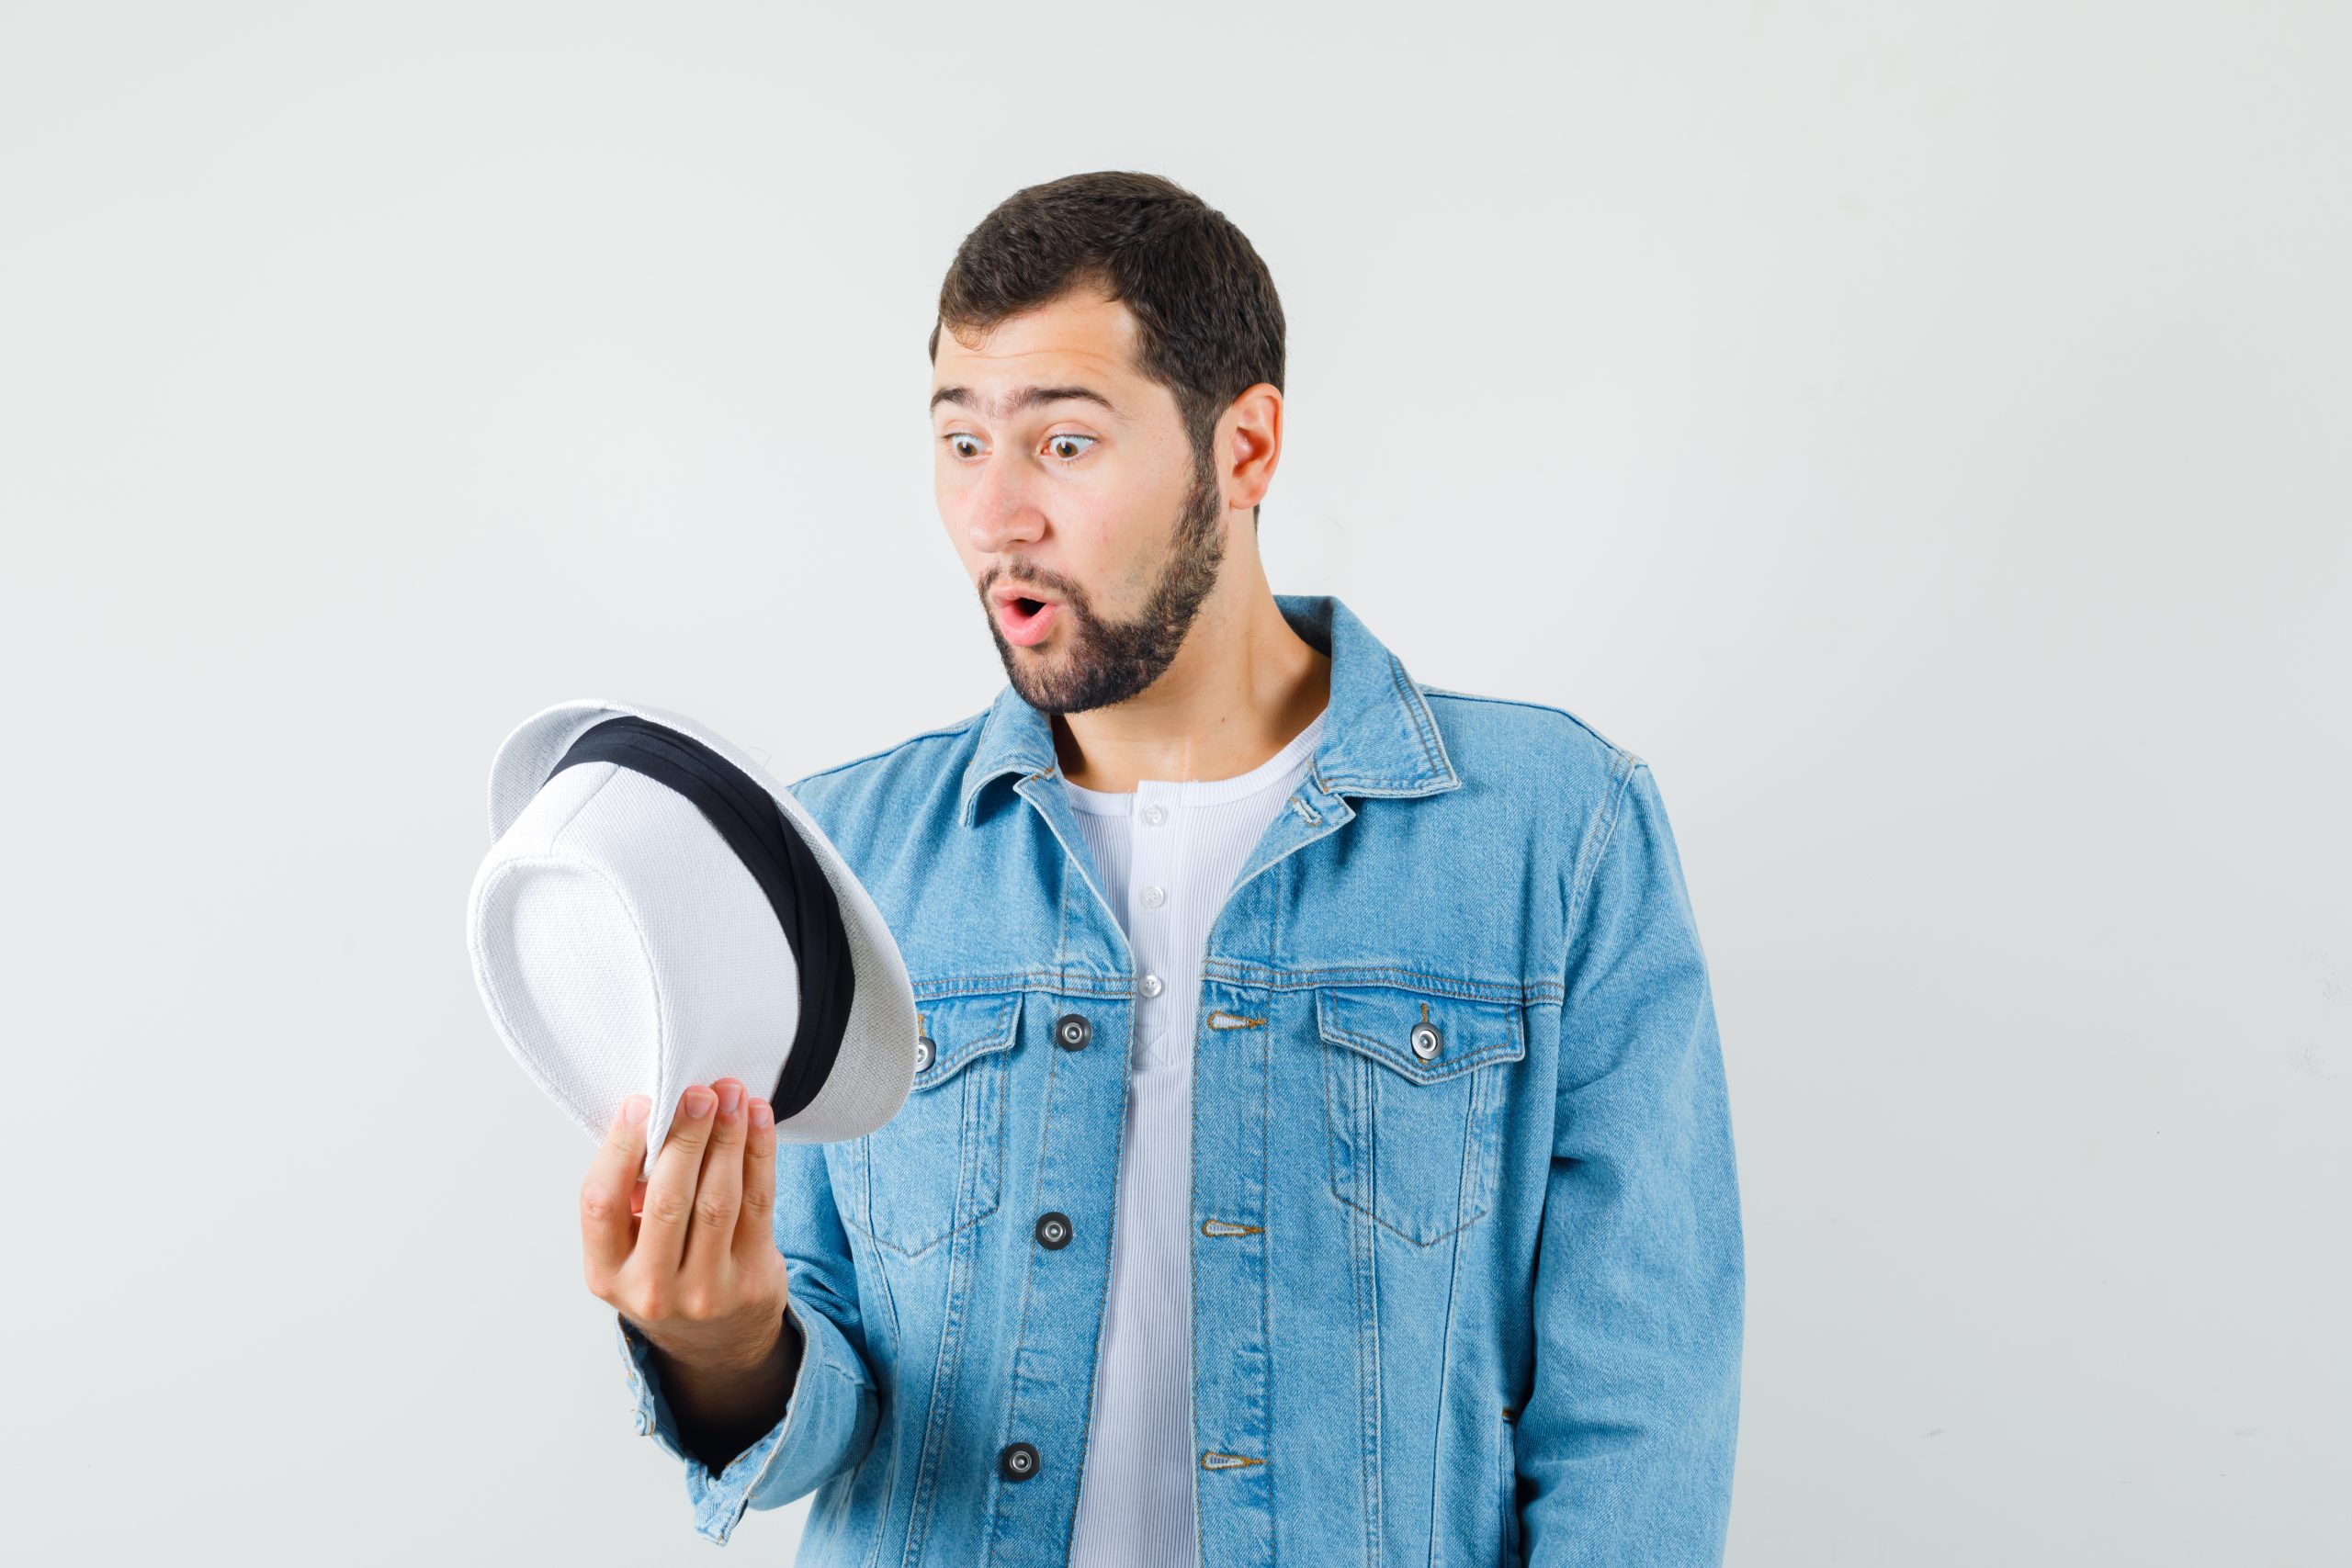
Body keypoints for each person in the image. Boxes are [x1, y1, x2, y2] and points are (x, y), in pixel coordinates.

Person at [578, 169, 1745, 1562]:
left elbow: (1641, 1415)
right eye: (960, 444)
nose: (996, 515)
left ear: (1243, 450)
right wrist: (722, 1342)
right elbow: (829, 1397)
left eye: (1063, 446)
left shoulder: (1556, 834)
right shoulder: (851, 857)